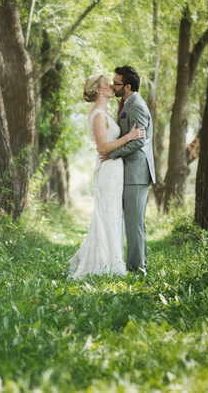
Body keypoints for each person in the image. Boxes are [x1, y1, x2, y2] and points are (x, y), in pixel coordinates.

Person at [68, 74, 145, 280]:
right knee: (109, 215)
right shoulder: (99, 115)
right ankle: (106, 263)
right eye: (106, 84)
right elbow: (102, 147)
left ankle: (111, 260)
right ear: (99, 91)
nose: (112, 86)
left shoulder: (105, 112)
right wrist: (128, 137)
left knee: (112, 215)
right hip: (109, 170)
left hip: (114, 169)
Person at [104, 65, 156, 276]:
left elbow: (139, 141)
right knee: (132, 222)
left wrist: (111, 154)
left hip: (137, 173)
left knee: (134, 224)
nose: (112, 86)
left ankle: (137, 270)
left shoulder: (137, 106)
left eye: (116, 83)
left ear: (127, 86)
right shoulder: (126, 103)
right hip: (129, 172)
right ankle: (137, 265)